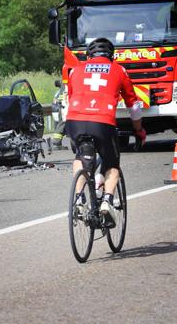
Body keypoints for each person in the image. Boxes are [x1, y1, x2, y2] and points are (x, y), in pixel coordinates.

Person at [66, 37, 146, 224]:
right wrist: (139, 130)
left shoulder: (75, 70)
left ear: (89, 55)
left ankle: (79, 198)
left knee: (80, 158)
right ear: (111, 56)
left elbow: (69, 99)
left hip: (75, 120)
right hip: (102, 122)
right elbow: (133, 106)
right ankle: (107, 201)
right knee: (112, 164)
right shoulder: (119, 70)